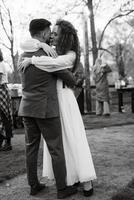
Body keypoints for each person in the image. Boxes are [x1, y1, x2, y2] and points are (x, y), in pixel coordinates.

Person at [20, 19, 97, 197]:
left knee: (70, 140)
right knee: (58, 146)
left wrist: (32, 59)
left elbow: (57, 65)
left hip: (50, 103)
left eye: (55, 33)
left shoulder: (32, 54)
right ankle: (65, 184)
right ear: (43, 33)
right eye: (50, 32)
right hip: (49, 104)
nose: (52, 36)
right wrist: (74, 81)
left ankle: (83, 179)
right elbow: (65, 75)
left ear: (64, 36)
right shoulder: (47, 53)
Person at [0, 49, 13, 151]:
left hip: (1, 90)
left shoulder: (0, 64)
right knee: (3, 117)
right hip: (2, 90)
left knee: (5, 117)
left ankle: (8, 143)